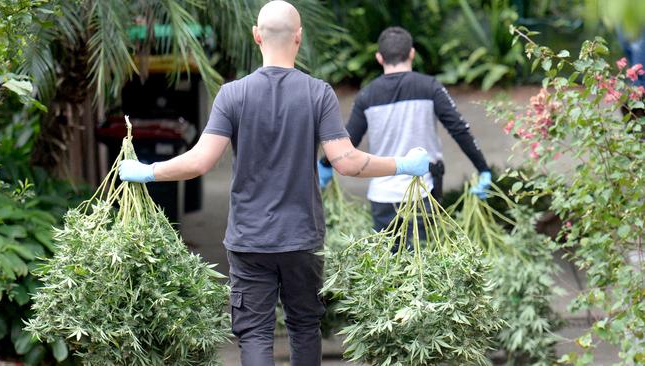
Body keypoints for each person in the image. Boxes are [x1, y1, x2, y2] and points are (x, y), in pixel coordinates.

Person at [118, 3, 429, 365]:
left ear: (256, 36)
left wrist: (149, 170)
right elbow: (347, 161)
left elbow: (201, 160)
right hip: (302, 238)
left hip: (250, 240)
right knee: (304, 326)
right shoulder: (318, 93)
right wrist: (403, 164)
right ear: (299, 37)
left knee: (254, 333)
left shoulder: (233, 95)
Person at [318, 26, 492, 237]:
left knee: (388, 266)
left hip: (382, 198)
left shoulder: (366, 96)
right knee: (422, 265)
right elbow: (459, 129)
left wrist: (325, 164)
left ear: (379, 58)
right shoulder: (430, 87)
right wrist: (483, 169)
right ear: (412, 53)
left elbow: (348, 139)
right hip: (422, 194)